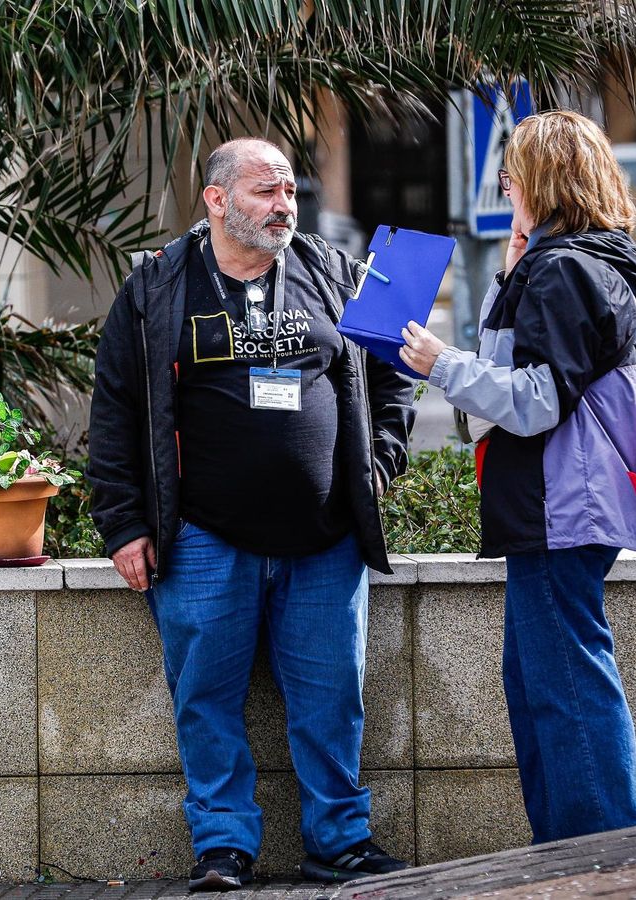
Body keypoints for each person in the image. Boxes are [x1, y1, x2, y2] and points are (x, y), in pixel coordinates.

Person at [87, 137, 415, 890]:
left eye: (290, 191)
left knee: (332, 701)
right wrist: (124, 524)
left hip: (325, 538)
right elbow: (115, 409)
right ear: (216, 200)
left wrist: (380, 461)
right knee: (205, 699)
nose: (283, 206)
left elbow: (395, 369)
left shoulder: (334, 272)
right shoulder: (158, 285)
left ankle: (339, 840)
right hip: (203, 537)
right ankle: (223, 846)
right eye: (266, 192)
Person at [397, 110, 636, 844]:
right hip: (566, 504)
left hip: (564, 506)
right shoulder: (587, 261)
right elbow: (520, 376)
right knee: (537, 681)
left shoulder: (566, 271)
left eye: (511, 176)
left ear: (541, 182)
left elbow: (533, 401)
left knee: (566, 686)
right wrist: (509, 272)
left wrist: (441, 364)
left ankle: (606, 855)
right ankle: (565, 848)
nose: (507, 188)